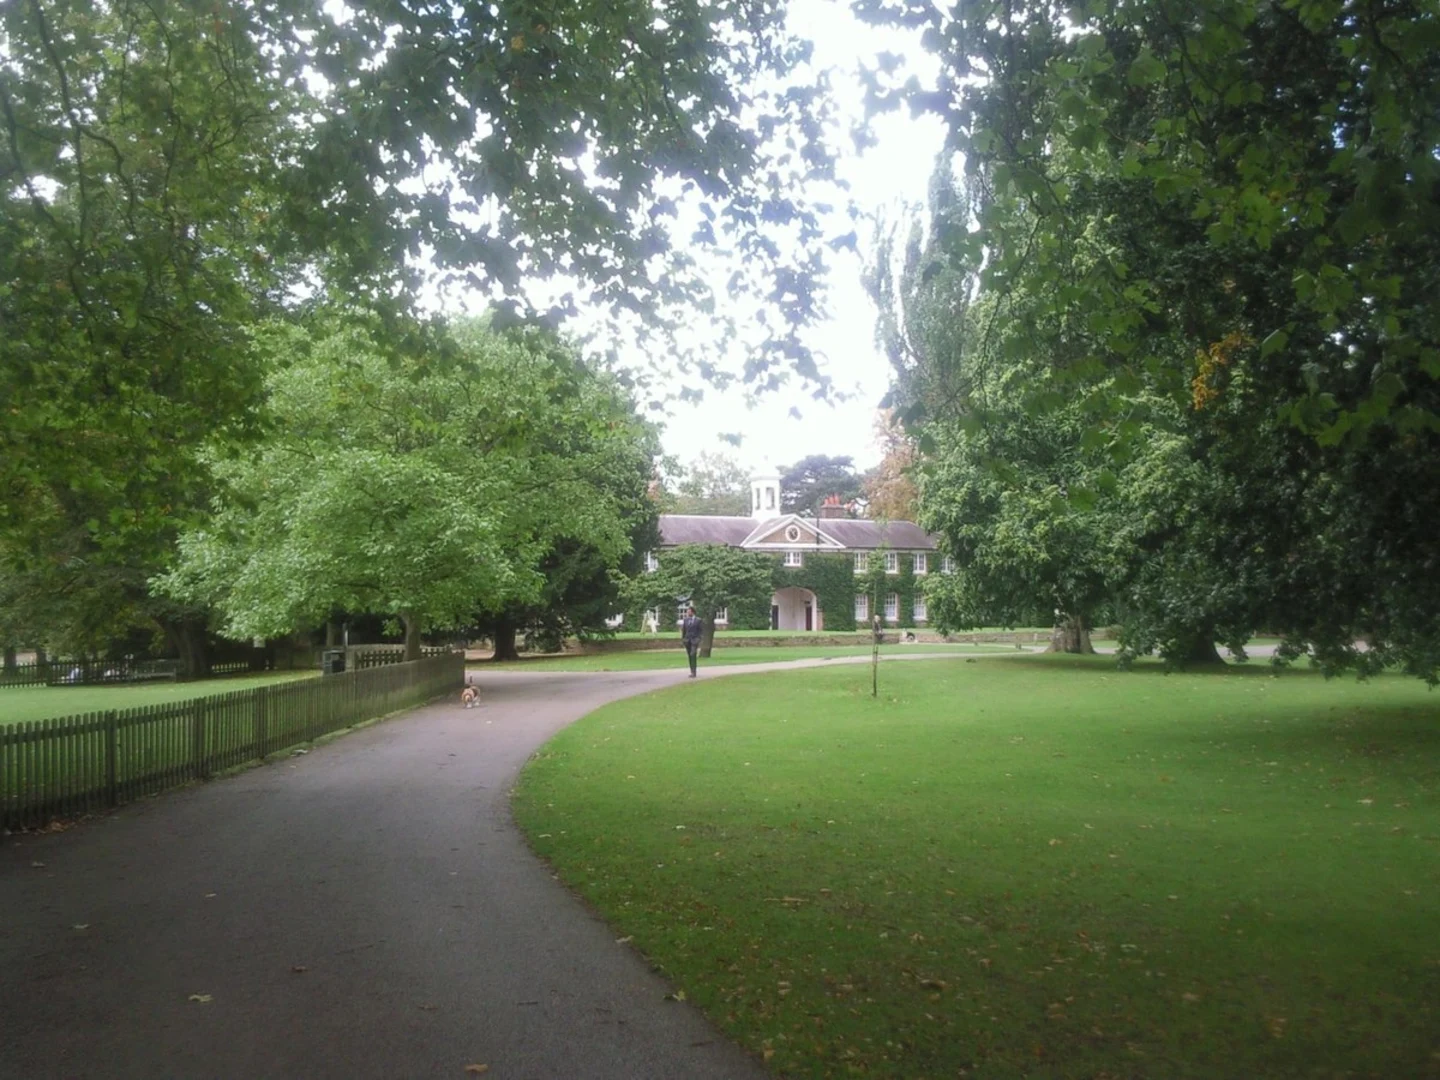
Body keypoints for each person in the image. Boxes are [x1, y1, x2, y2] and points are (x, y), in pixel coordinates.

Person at [681, 605, 704, 677]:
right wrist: (683, 639)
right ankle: (692, 671)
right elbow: (684, 631)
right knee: (690, 656)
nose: (688, 612)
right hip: (687, 641)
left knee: (693, 654)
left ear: (693, 612)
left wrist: (699, 639)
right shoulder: (685, 620)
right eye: (687, 611)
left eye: (689, 611)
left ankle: (694, 672)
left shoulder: (698, 620)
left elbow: (701, 631)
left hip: (695, 640)